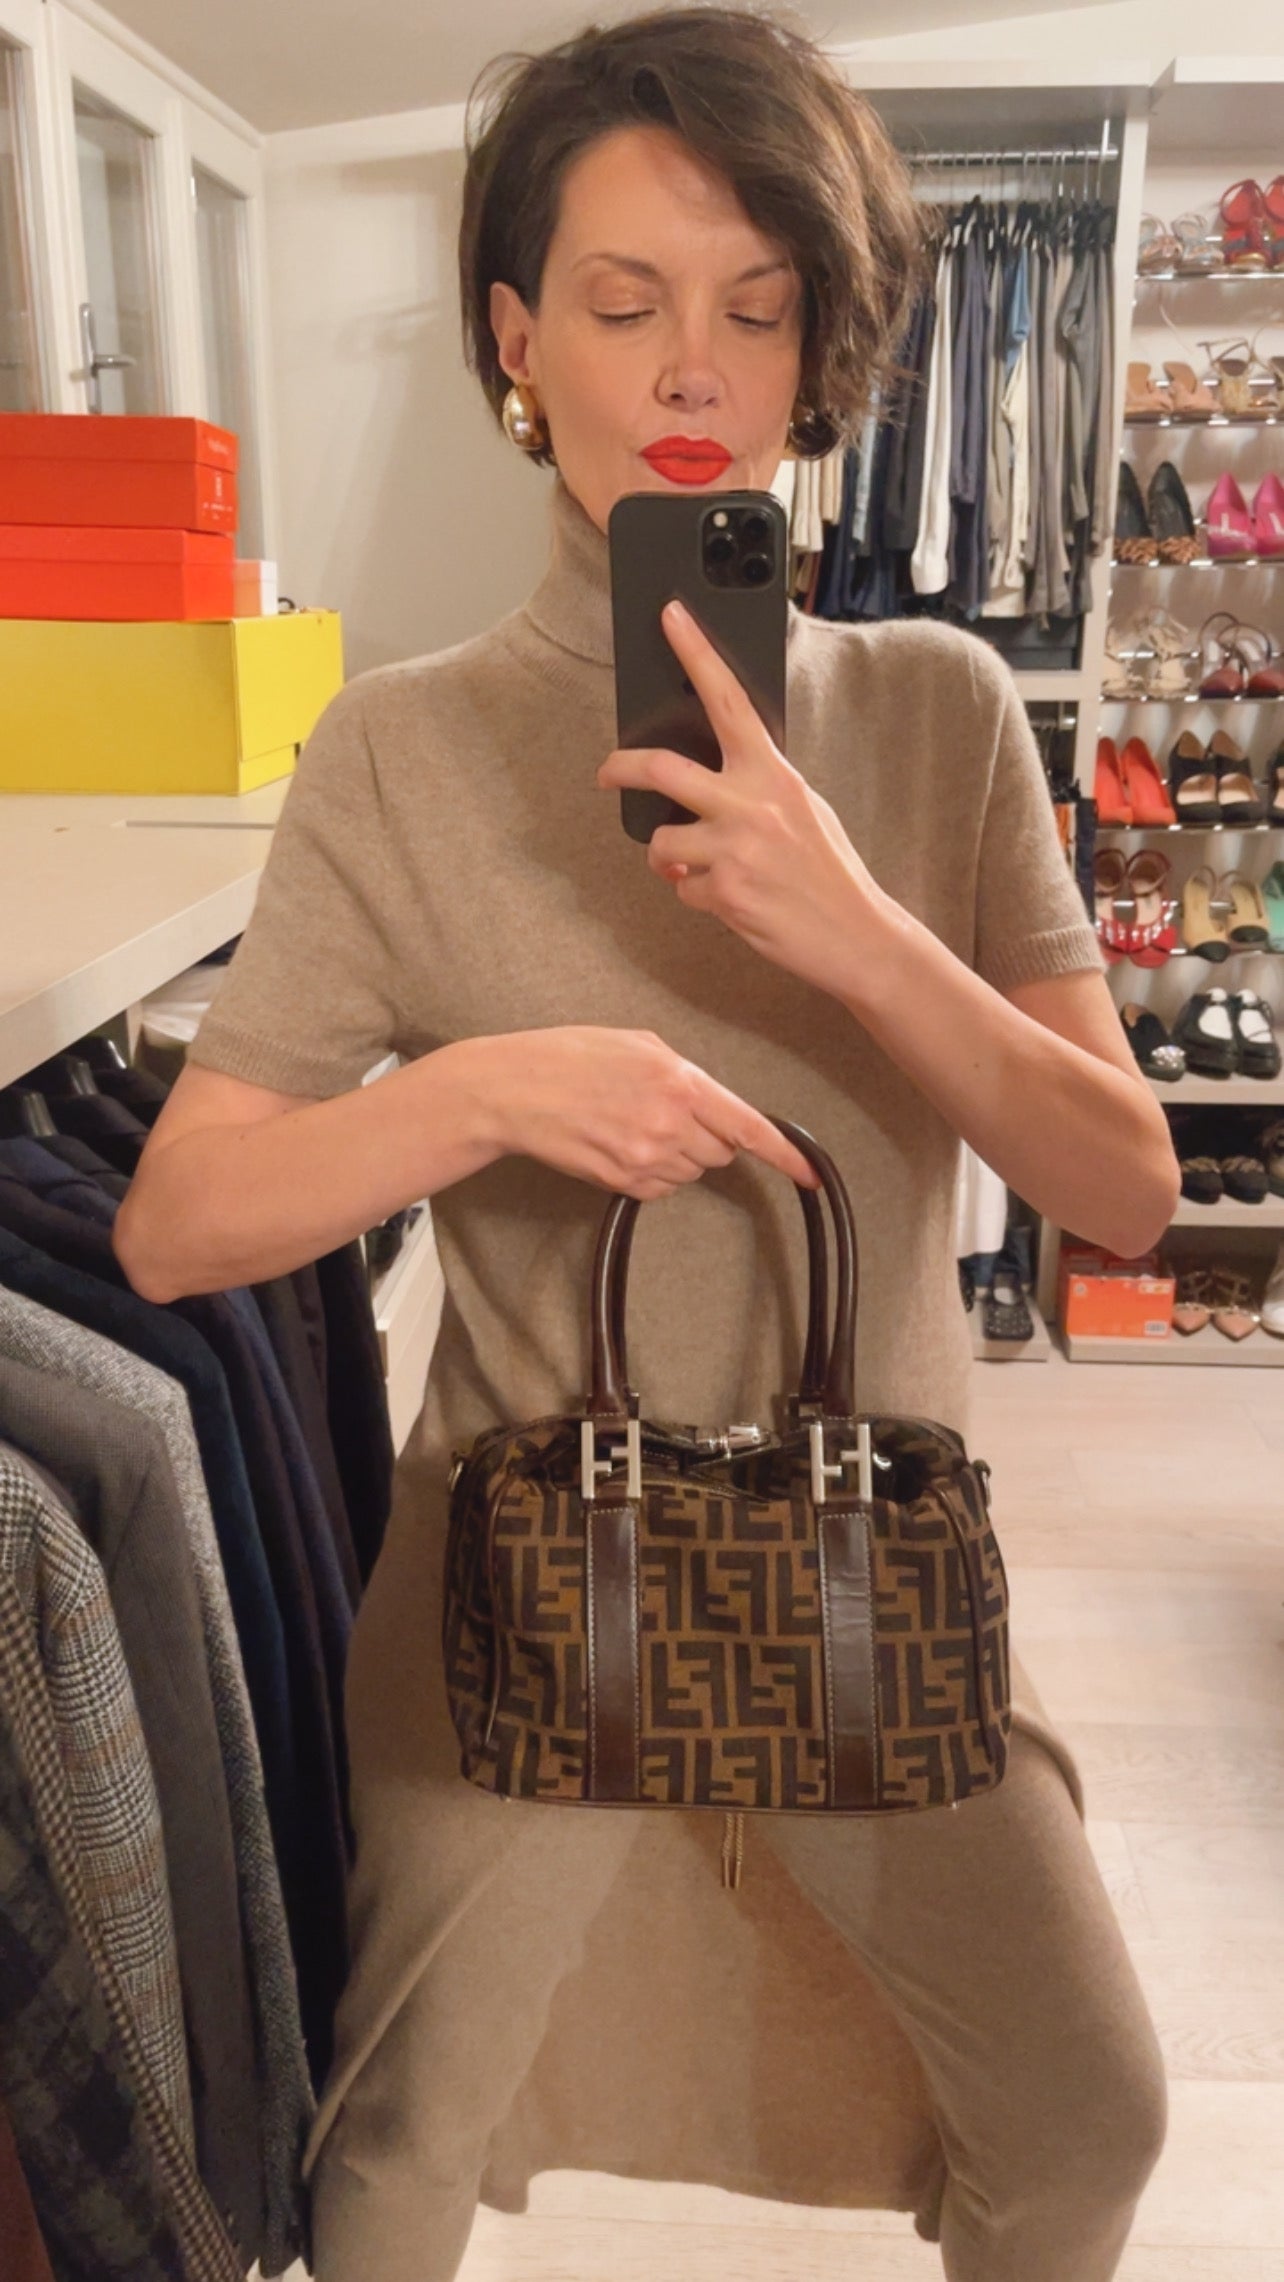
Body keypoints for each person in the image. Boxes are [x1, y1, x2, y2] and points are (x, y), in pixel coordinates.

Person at [114, 9, 1177, 2278]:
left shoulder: (936, 713)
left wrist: (860, 929)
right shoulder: (398, 751)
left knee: (1082, 2112)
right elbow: (180, 1223)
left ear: (821, 348)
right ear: (517, 341)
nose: (693, 365)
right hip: (529, 1582)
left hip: (874, 1569)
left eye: (756, 307)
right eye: (622, 304)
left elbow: (1127, 1190)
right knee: (397, 2147)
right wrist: (481, 1093)